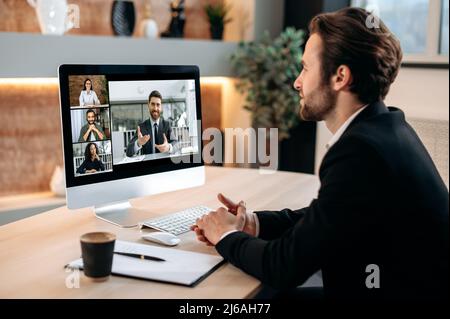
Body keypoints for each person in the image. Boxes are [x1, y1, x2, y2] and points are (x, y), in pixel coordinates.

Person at [192, 8, 449, 301]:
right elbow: (325, 218)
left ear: (340, 76)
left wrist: (225, 236)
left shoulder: (361, 151)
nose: (296, 82)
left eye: (305, 68)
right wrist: (253, 223)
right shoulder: (387, 125)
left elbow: (283, 266)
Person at [126, 90, 177, 157]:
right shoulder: (142, 127)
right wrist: (138, 143)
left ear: (161, 107)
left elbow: (176, 144)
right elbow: (128, 152)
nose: (155, 108)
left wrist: (169, 147)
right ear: (148, 105)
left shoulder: (167, 125)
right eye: (153, 104)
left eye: (158, 105)